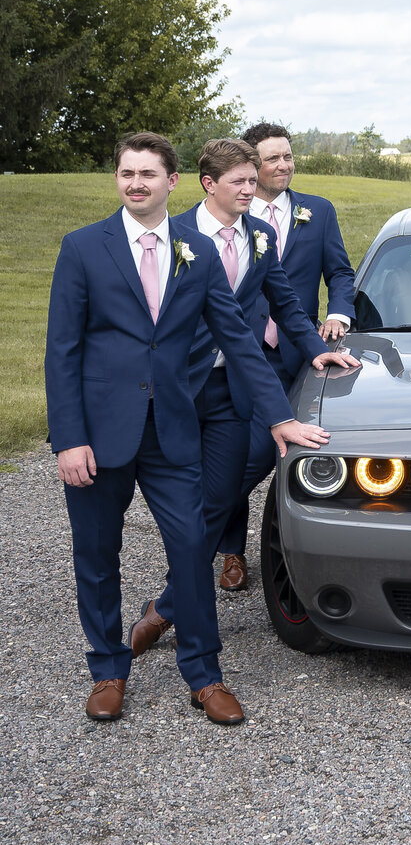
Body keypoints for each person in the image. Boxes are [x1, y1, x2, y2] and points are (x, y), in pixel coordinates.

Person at [45, 133, 333, 726]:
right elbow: (62, 351)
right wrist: (69, 438)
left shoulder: (196, 251)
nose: (136, 184)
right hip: (99, 435)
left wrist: (280, 416)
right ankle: (108, 670)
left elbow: (238, 339)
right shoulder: (83, 247)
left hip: (172, 431)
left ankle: (204, 675)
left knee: (190, 548)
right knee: (96, 554)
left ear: (172, 181)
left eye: (147, 174)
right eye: (127, 173)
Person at [129, 138, 360, 660]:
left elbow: (285, 301)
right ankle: (181, 606)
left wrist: (316, 350)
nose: (251, 191)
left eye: (253, 181)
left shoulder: (260, 235)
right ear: (209, 184)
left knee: (221, 493)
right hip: (176, 387)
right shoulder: (174, 235)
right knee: (184, 502)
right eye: (240, 182)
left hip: (234, 384)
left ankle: (166, 606)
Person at [213, 121, 358, 572]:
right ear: (251, 165)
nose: (283, 165)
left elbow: (340, 272)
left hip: (299, 353)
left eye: (288, 156)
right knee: (241, 452)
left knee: (283, 450)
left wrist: (338, 314)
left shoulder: (318, 211)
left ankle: (294, 545)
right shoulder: (228, 217)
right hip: (242, 353)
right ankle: (230, 550)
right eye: (272, 158)